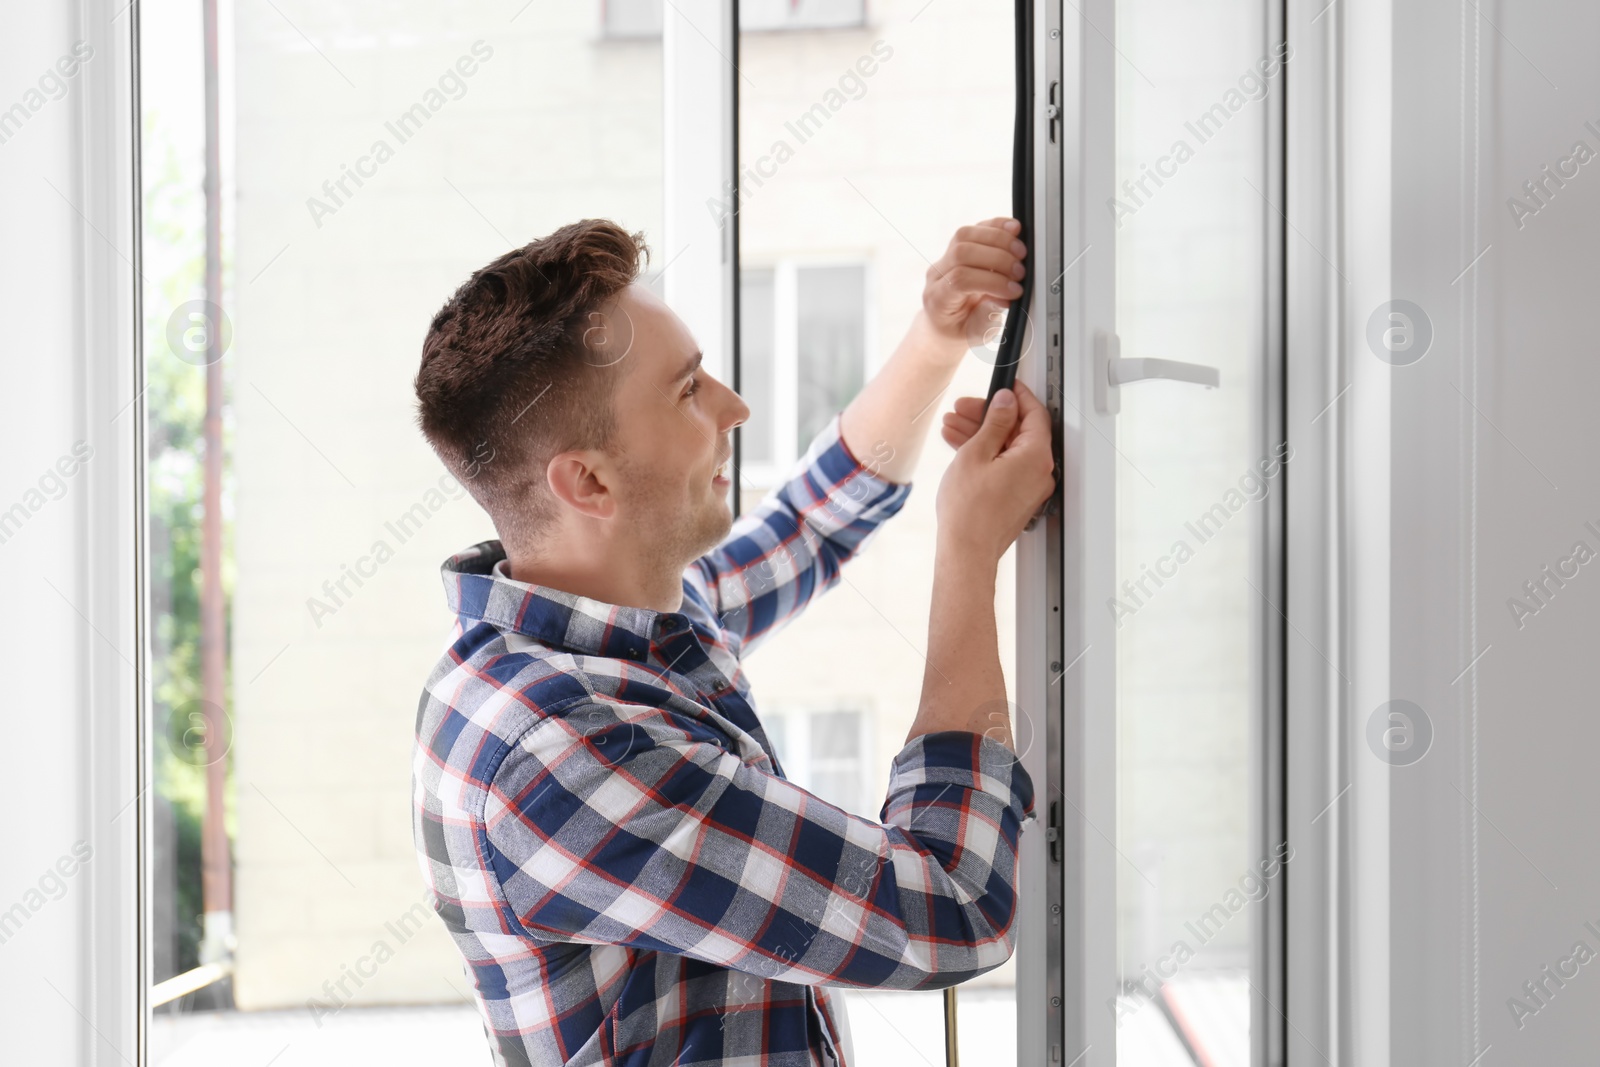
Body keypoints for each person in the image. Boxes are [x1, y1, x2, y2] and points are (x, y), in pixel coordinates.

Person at [410, 216, 1055, 1066]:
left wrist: (939, 336)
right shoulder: (564, 750)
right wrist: (969, 552)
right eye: (688, 390)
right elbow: (951, 908)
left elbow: (813, 521)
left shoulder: (618, 625)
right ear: (590, 480)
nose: (736, 407)